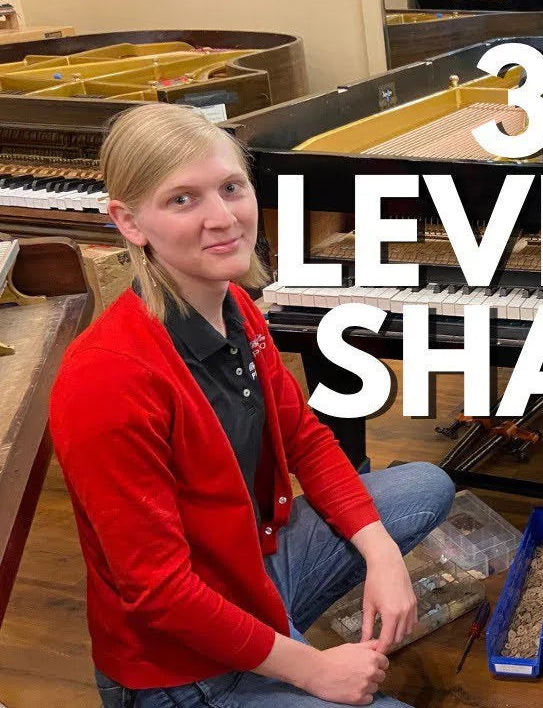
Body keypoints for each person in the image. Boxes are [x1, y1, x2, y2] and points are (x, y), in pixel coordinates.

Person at [48, 102, 456, 707]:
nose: (223, 218)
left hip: (248, 566)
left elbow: (307, 441)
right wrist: (311, 669)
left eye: (231, 187)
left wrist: (383, 556)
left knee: (424, 486)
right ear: (129, 222)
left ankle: (275, 630)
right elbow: (158, 592)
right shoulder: (107, 379)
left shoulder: (234, 306)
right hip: (184, 670)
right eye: (182, 199)